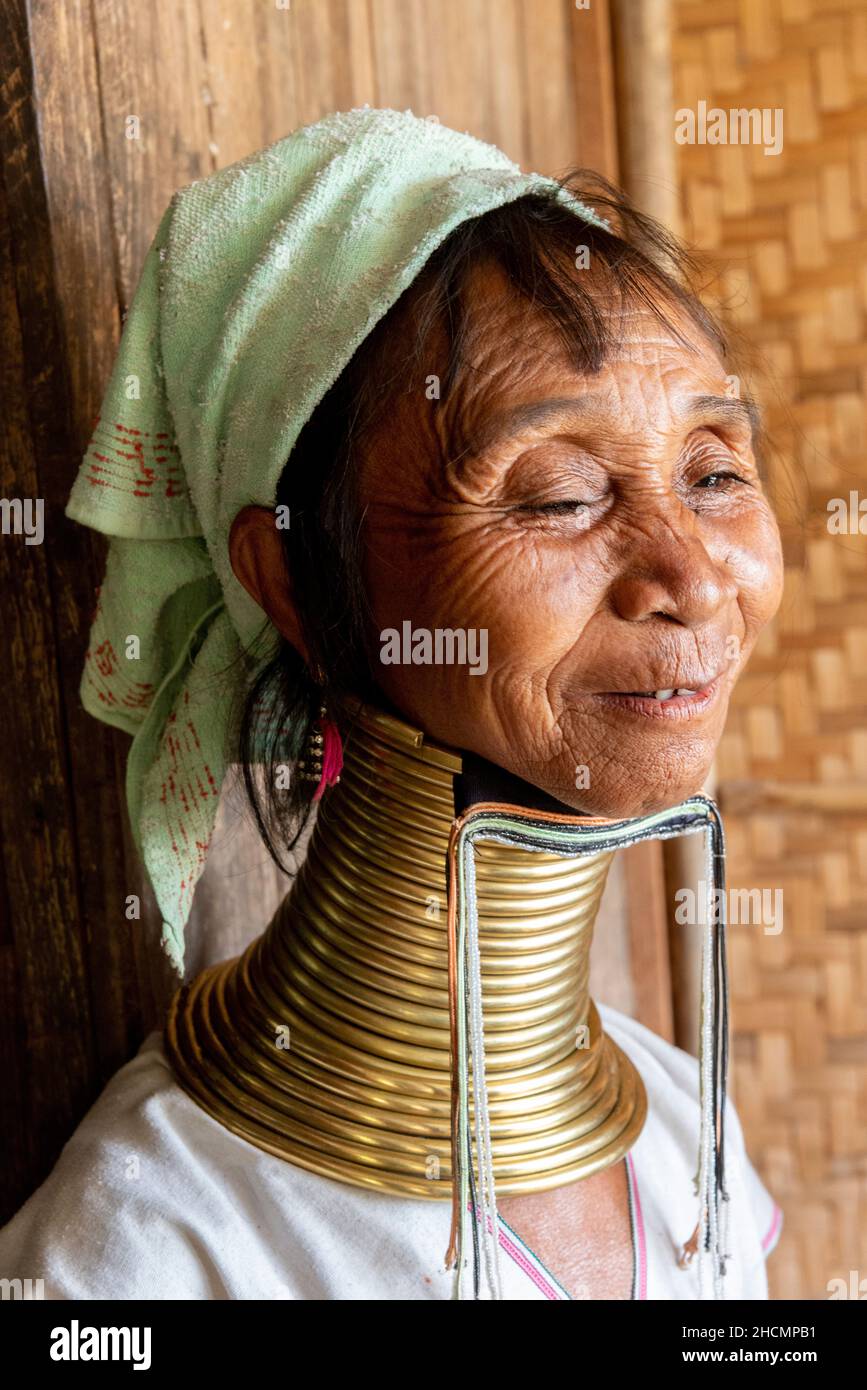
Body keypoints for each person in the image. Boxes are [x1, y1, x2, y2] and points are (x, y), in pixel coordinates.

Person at [0, 107, 784, 1300]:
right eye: (560, 495)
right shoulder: (146, 1255)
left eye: (715, 472)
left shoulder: (686, 1128)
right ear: (294, 588)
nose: (693, 574)